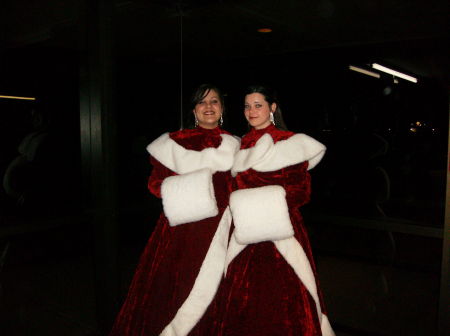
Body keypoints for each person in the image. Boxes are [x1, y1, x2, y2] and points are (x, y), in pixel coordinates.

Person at [109, 84, 240, 336]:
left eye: (214, 101)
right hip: (181, 232)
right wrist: (195, 194)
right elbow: (156, 185)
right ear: (193, 110)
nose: (208, 107)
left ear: (222, 109)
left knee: (222, 293)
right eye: (202, 102)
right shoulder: (174, 142)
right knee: (176, 290)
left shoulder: (237, 145)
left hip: (224, 231)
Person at [216, 85, 334, 336]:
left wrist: (260, 208)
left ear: (272, 108)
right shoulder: (239, 145)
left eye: (258, 105)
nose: (251, 111)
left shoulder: (290, 142)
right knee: (243, 300)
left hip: (281, 234)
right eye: (247, 106)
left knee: (285, 301)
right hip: (244, 238)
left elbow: (301, 192)